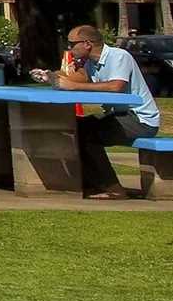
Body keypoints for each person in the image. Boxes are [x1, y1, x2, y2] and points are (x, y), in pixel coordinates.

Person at [45, 22, 158, 197]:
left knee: (87, 134)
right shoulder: (91, 63)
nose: (69, 48)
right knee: (73, 128)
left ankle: (112, 189)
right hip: (116, 116)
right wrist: (50, 76)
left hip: (140, 119)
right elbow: (78, 80)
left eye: (72, 44)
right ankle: (90, 184)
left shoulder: (119, 56)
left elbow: (116, 86)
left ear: (87, 44)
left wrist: (72, 86)